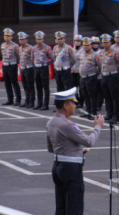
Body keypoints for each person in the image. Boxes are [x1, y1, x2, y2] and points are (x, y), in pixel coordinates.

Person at [46, 87, 104, 215]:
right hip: (70, 169)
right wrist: (97, 127)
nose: (75, 105)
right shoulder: (67, 124)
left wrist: (74, 152)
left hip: (57, 166)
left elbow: (51, 147)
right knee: (74, 207)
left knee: (61, 207)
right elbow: (89, 141)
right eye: (73, 103)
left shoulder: (51, 123)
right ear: (66, 105)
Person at [99, 34, 119, 123]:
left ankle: (116, 115)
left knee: (114, 97)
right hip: (104, 76)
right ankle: (109, 114)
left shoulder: (114, 52)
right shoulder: (101, 52)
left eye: (106, 42)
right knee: (107, 97)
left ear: (110, 42)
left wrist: (118, 73)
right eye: (103, 42)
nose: (105, 44)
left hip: (113, 76)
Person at [77, 37, 100, 120]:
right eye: (84, 45)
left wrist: (95, 75)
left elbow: (100, 66)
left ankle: (93, 113)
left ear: (91, 45)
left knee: (92, 96)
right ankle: (87, 111)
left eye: (87, 45)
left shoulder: (95, 54)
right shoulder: (81, 53)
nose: (86, 46)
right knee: (85, 95)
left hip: (91, 77)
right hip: (82, 77)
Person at [33, 31, 54, 110]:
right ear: (35, 40)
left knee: (45, 87)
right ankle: (39, 103)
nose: (39, 40)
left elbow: (52, 58)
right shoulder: (34, 48)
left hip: (44, 68)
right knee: (38, 87)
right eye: (38, 39)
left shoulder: (47, 48)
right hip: (36, 68)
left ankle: (45, 104)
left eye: (40, 39)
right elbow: (32, 58)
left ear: (43, 39)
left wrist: (47, 63)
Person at [1, 28, 21, 106]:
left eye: (8, 36)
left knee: (14, 82)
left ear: (11, 37)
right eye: (6, 35)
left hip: (12, 65)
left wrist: (15, 64)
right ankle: (10, 99)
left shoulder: (15, 46)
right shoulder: (2, 45)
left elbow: (18, 56)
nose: (7, 37)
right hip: (5, 65)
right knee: (7, 83)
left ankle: (18, 99)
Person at [17, 32, 35, 108]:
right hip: (23, 69)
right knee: (24, 85)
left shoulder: (30, 48)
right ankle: (27, 100)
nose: (21, 41)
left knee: (30, 85)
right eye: (20, 39)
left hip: (29, 69)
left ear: (26, 40)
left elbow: (34, 59)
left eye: (23, 39)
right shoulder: (19, 48)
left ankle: (32, 101)